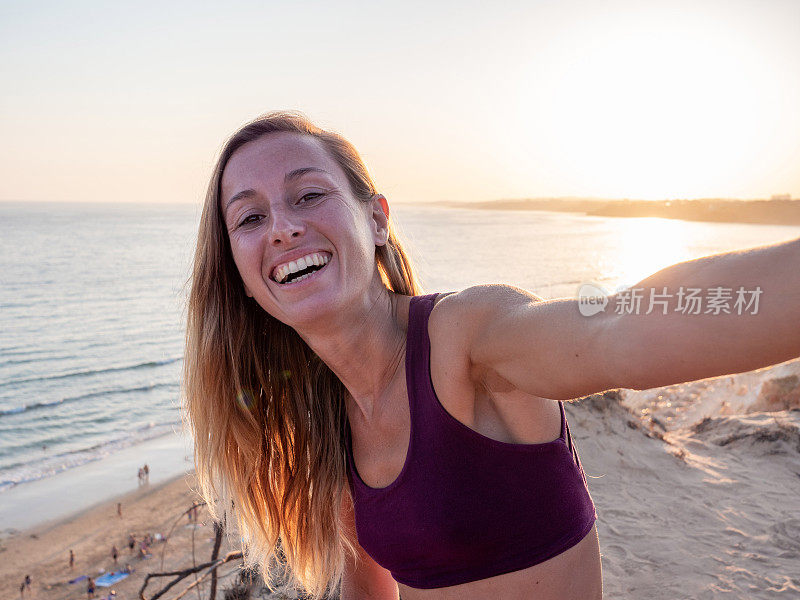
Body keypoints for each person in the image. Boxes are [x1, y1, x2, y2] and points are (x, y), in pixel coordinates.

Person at [182, 111, 800, 600]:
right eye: (251, 217)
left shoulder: (465, 339)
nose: (283, 229)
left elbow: (616, 326)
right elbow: (366, 588)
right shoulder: (328, 417)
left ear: (376, 220)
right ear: (238, 271)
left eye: (309, 195)